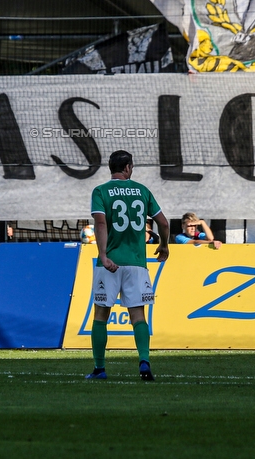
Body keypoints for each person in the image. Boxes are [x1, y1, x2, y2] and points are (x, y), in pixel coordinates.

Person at [86, 149, 169, 381]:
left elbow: (100, 223)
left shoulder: (101, 191)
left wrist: (103, 255)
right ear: (128, 167)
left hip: (110, 263)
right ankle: (144, 363)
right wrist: (164, 246)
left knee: (101, 315)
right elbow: (163, 222)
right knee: (138, 316)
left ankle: (99, 369)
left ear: (111, 168)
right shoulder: (142, 191)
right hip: (136, 264)